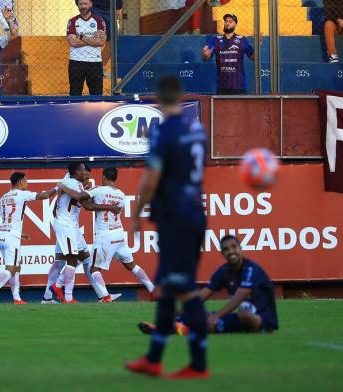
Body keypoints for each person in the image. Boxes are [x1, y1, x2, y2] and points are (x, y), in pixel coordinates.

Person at [125, 76, 209, 379]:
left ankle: (198, 365)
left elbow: (152, 176)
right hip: (194, 213)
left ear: (158, 99)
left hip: (176, 216)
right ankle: (154, 359)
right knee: (165, 287)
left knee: (183, 289)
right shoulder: (197, 129)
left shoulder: (164, 130)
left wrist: (135, 216)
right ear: (181, 95)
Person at [138, 235, 279, 335]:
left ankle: (180, 329)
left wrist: (216, 316)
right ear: (222, 253)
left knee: (245, 316)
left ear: (240, 248)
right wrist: (183, 310)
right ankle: (167, 326)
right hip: (239, 318)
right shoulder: (224, 271)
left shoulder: (251, 269)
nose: (231, 252)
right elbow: (203, 295)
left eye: (233, 247)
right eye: (226, 249)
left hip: (261, 320)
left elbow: (238, 298)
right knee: (198, 313)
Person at [42, 164, 122, 304]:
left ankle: (49, 296)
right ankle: (66, 296)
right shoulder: (73, 184)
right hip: (67, 226)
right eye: (84, 173)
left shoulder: (68, 179)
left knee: (82, 258)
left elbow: (60, 202)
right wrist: (109, 207)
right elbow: (87, 205)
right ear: (77, 172)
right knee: (71, 260)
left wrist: (59, 210)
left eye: (87, 176)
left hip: (70, 226)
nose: (86, 178)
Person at [0, 173, 58, 304]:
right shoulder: (22, 194)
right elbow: (43, 196)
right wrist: (56, 188)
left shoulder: (4, 197)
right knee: (11, 268)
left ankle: (17, 298)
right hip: (11, 237)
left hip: (2, 235)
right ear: (21, 181)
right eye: (26, 180)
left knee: (15, 267)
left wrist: (19, 234)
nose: (27, 182)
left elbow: (6, 218)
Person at [88, 167, 155, 303]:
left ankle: (106, 297)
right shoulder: (121, 195)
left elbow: (84, 199)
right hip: (119, 234)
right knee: (131, 265)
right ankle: (153, 290)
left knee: (94, 268)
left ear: (104, 178)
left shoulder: (98, 190)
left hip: (104, 235)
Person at [202, 14, 254, 94]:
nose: (227, 23)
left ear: (235, 24)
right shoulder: (216, 40)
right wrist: (205, 55)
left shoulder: (242, 40)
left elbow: (253, 58)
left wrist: (258, 46)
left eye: (230, 21)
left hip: (238, 85)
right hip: (222, 85)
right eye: (226, 21)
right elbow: (205, 58)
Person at [67, 0, 107, 95]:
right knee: (75, 93)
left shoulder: (99, 21)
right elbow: (73, 42)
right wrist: (93, 39)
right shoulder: (72, 21)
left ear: (91, 4)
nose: (83, 6)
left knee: (96, 94)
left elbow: (101, 42)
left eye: (85, 4)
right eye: (80, 4)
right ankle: (74, 110)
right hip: (76, 61)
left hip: (95, 62)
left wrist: (81, 36)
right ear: (77, 5)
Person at [90, 0, 123, 76]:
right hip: (94, 7)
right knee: (95, 38)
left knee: (113, 41)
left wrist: (118, 7)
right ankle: (89, 67)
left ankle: (100, 68)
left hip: (110, 9)